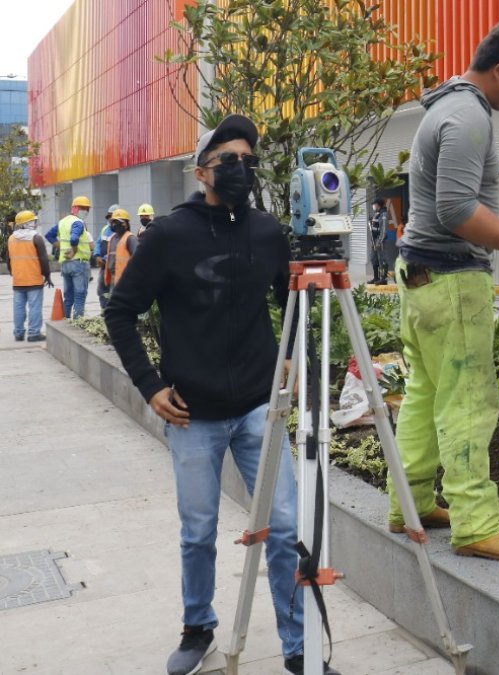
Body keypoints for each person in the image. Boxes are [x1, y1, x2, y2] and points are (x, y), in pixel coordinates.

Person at [104, 114, 337, 675]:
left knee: (285, 529)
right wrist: (151, 385)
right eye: (228, 160)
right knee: (198, 531)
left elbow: (294, 302)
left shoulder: (266, 231)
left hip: (260, 406)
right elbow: (120, 311)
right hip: (193, 415)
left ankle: (298, 647)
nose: (240, 169)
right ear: (201, 170)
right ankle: (197, 628)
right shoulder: (168, 235)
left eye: (248, 161)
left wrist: (293, 359)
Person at [385, 21, 499, 562]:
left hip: (420, 275)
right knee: (469, 402)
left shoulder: (446, 108)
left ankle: (408, 504)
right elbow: (457, 210)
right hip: (452, 279)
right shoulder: (466, 116)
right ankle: (476, 525)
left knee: (423, 395)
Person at [44, 195, 93, 319]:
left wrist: (59, 246)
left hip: (65, 264)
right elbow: (74, 238)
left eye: (87, 209)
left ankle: (65, 321)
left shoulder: (62, 222)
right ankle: (77, 323)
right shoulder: (78, 222)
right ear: (75, 208)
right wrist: (74, 249)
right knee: (79, 295)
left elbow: (49, 235)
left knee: (68, 296)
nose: (86, 211)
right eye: (83, 208)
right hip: (78, 264)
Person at [7, 210, 52, 342]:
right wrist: (47, 275)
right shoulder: (36, 238)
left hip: (18, 280)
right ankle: (33, 333)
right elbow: (43, 259)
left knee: (18, 307)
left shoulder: (11, 238)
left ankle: (19, 333)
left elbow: (8, 259)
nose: (35, 223)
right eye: (33, 221)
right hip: (34, 279)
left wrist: (12, 272)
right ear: (28, 223)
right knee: (35, 307)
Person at [101, 208, 138, 297]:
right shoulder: (113, 238)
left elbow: (138, 259)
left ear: (126, 224)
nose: (117, 225)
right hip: (114, 280)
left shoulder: (130, 238)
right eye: (114, 222)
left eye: (120, 222)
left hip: (127, 281)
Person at [93, 204, 120, 309]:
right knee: (101, 288)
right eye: (109, 216)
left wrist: (104, 259)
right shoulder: (105, 229)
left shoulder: (121, 231)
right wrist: (97, 255)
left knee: (114, 290)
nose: (110, 219)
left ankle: (112, 311)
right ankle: (104, 309)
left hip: (115, 267)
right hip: (104, 267)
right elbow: (98, 243)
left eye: (112, 216)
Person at [369, 198, 389, 284]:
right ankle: (376, 278)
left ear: (378, 205)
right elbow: (374, 226)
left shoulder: (383, 214)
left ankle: (383, 279)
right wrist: (371, 222)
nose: (373, 206)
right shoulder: (377, 214)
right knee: (374, 259)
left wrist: (380, 241)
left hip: (379, 240)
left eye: (374, 204)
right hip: (374, 240)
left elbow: (383, 230)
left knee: (382, 259)